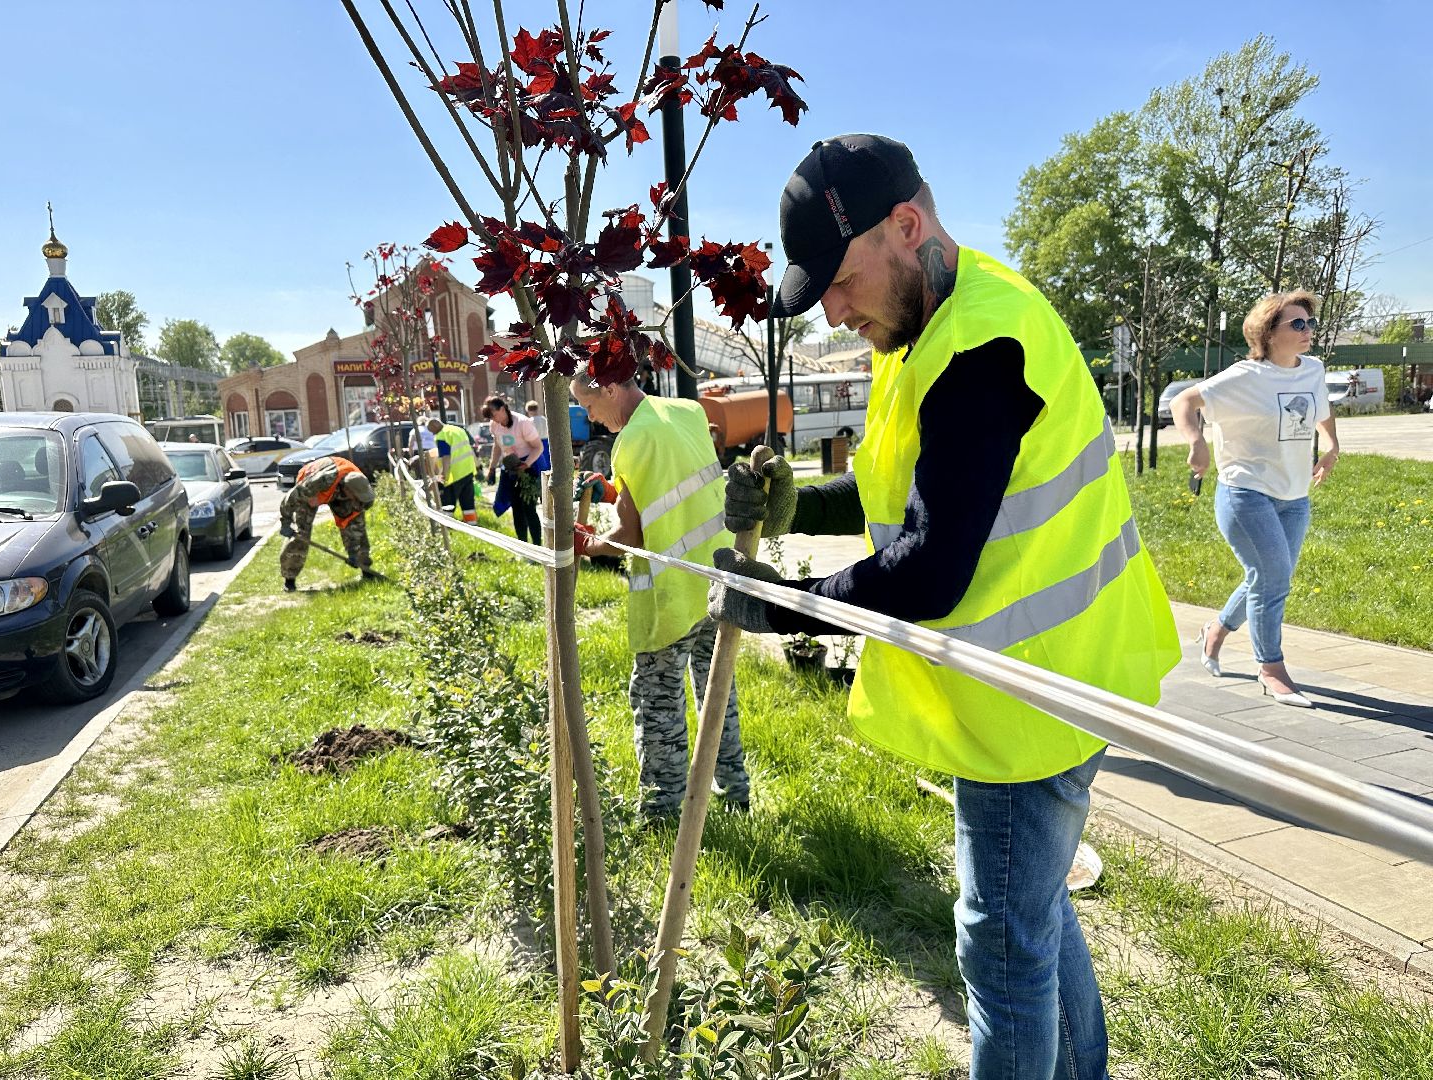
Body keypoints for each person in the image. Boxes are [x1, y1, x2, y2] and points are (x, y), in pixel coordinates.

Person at [706, 134, 1179, 1079]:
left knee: (1000, 948)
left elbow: (928, 571)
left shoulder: (980, 347)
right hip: (1047, 677)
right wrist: (812, 502)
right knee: (1031, 915)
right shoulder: (931, 312)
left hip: (1032, 702)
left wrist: (779, 604)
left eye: (840, 284)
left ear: (907, 226)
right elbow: (920, 492)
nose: (835, 314)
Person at [570, 372, 750, 822]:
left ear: (610, 388)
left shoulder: (630, 440)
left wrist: (586, 544)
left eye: (588, 404)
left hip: (671, 595)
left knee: (658, 703)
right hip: (716, 579)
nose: (588, 416)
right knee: (717, 695)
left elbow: (630, 535)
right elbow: (675, 490)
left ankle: (662, 811)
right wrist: (613, 490)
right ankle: (735, 793)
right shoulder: (687, 412)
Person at [1171, 289, 1338, 707]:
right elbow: (1184, 400)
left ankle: (1215, 632)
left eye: (1310, 322)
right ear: (1267, 332)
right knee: (1273, 579)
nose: (1307, 330)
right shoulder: (1244, 377)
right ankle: (1271, 669)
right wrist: (1196, 441)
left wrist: (1331, 445)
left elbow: (1322, 410)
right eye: (1297, 324)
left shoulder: (1313, 369)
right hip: (1246, 492)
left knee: (1266, 579)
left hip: (1294, 495)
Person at [278, 455, 376, 590]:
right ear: (348, 490)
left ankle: (365, 569)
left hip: (339, 487)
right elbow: (290, 498)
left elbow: (355, 519)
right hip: (313, 487)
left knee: (355, 523)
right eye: (357, 498)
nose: (359, 501)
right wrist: (286, 521)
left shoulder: (360, 482)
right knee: (301, 534)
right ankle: (289, 579)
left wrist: (354, 551)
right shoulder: (317, 483)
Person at [482, 395, 544, 545]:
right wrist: (492, 468)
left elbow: (538, 447)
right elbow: (497, 447)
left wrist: (526, 464)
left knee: (529, 509)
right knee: (516, 509)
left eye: (494, 414)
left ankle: (537, 546)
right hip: (510, 469)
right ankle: (523, 545)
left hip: (529, 467)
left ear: (502, 409)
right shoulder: (494, 425)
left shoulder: (523, 423)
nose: (493, 419)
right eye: (490, 416)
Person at [425, 416, 478, 523]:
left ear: (435, 426)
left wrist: (443, 475)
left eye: (432, 431)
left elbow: (446, 457)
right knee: (467, 501)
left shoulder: (442, 435)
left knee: (448, 501)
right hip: (468, 470)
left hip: (455, 473)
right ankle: (472, 524)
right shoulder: (457, 429)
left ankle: (447, 525)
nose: (432, 434)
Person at [525, 399, 553, 473]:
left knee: (539, 461)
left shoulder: (529, 421)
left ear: (528, 410)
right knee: (548, 460)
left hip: (536, 443)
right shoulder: (544, 419)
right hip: (546, 441)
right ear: (537, 409)